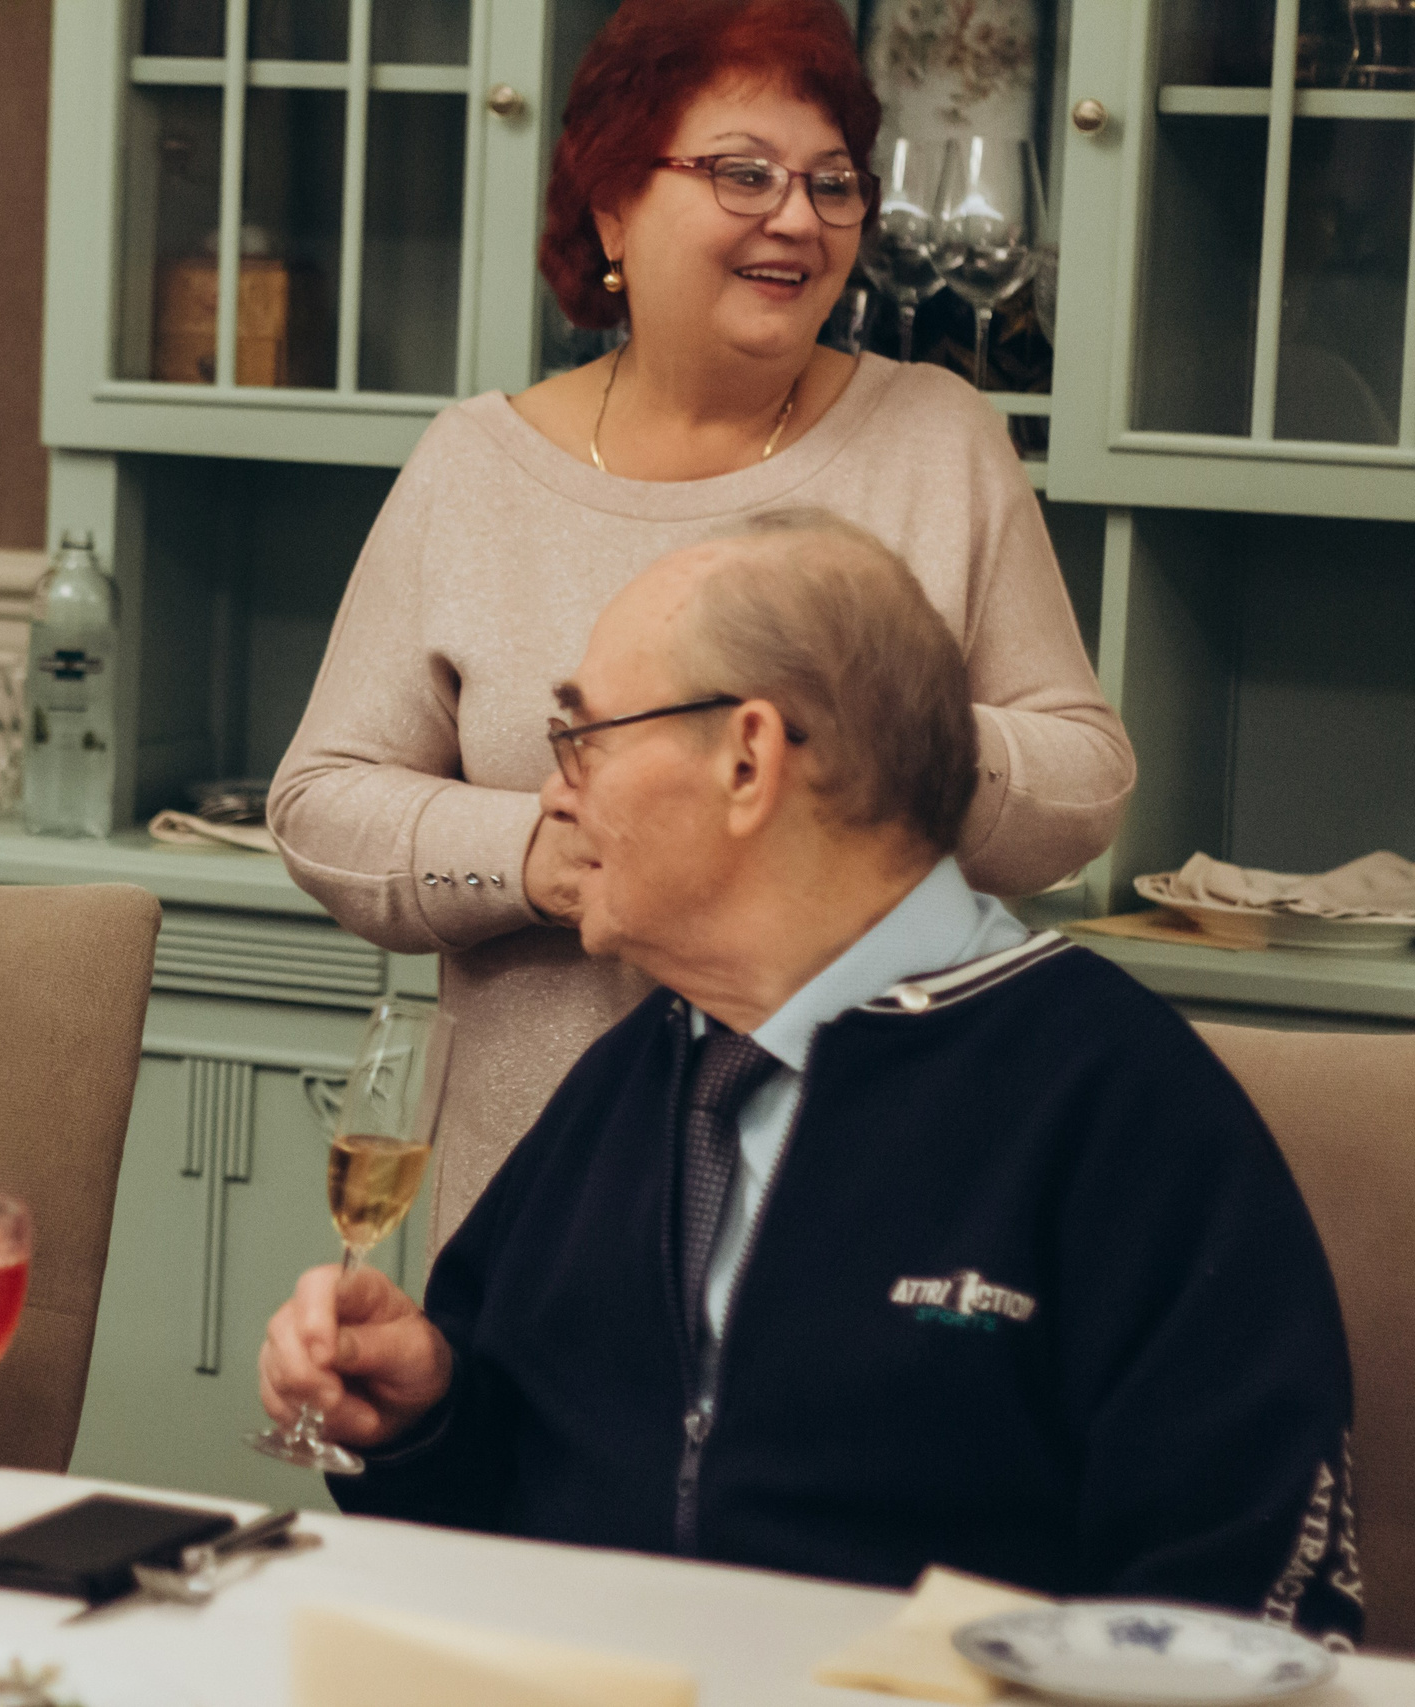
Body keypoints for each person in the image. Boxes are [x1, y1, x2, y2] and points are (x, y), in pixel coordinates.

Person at [257, 512, 1361, 1643]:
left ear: (747, 759)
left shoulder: (1128, 1113)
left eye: (580, 738)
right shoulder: (628, 1082)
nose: (551, 795)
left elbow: (1248, 1620)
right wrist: (420, 1416)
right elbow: (492, 1516)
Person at [267, 0, 1135, 1244]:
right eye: (743, 174)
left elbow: (1086, 778)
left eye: (832, 184)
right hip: (531, 1215)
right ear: (613, 202)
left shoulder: (942, 439)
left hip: (877, 1199)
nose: (797, 218)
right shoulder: (471, 465)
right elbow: (321, 802)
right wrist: (544, 856)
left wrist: (887, 750)